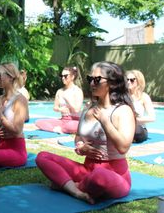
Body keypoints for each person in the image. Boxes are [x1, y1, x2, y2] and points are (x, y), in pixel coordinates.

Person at [36, 61, 136, 204]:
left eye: (97, 79)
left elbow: (123, 147)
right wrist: (81, 146)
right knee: (42, 157)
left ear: (112, 83)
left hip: (114, 175)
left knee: (100, 176)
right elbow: (78, 137)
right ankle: (76, 191)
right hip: (86, 169)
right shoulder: (88, 108)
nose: (92, 83)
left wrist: (105, 121)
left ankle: (67, 185)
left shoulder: (123, 111)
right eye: (90, 79)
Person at [35, 66, 83, 134]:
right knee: (38, 122)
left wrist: (68, 100)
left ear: (72, 77)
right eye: (61, 76)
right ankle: (57, 129)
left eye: (65, 76)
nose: (63, 78)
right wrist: (60, 109)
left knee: (70, 126)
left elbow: (77, 110)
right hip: (63, 120)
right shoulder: (60, 91)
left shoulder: (77, 91)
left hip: (74, 120)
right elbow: (55, 107)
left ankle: (62, 129)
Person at [126, 70, 156, 143]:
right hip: (124, 126)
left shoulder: (144, 97)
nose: (128, 82)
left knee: (136, 131)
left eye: (132, 80)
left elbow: (152, 117)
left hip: (139, 128)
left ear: (139, 81)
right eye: (127, 80)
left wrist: (135, 119)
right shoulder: (122, 96)